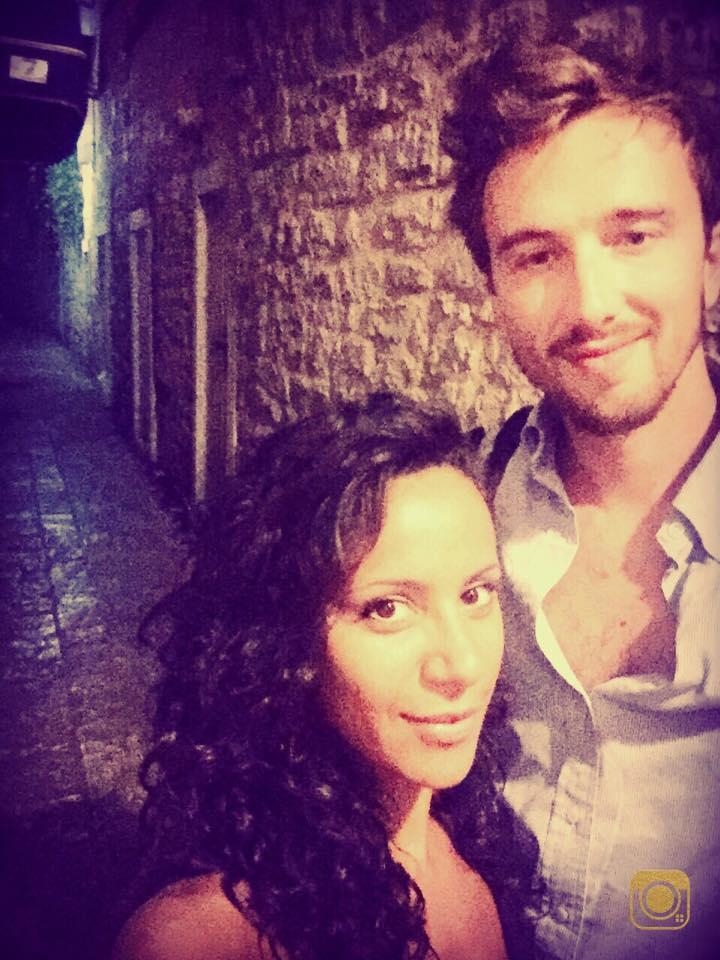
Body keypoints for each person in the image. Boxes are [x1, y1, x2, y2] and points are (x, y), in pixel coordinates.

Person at [449, 31, 720, 960]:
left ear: (710, 256)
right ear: (491, 288)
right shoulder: (457, 516)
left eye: (634, 236)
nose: (592, 303)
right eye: (535, 256)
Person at [112, 394, 536, 960]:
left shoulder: (477, 840)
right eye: (386, 608)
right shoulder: (203, 939)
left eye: (475, 593)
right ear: (283, 640)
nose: (463, 665)